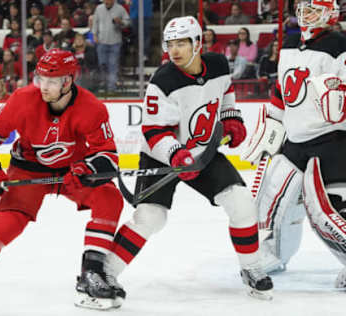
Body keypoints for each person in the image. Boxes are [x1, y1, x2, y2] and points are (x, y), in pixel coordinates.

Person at [104, 16, 273, 307]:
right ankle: (104, 273)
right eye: (170, 44)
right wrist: (176, 154)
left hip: (202, 155)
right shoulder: (162, 81)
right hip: (162, 156)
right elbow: (154, 131)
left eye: (182, 43)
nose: (175, 50)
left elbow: (226, 95)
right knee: (151, 218)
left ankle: (251, 267)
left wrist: (231, 119)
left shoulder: (219, 65)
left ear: (197, 42)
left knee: (242, 202)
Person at [0, 49, 125, 311]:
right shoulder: (24, 99)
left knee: (110, 198)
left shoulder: (92, 108)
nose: (43, 86)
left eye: (51, 81)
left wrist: (87, 171)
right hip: (28, 169)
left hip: (73, 170)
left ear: (68, 81)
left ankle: (91, 275)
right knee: (12, 218)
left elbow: (107, 155)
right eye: (41, 79)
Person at [241, 0, 346, 289]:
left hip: (331, 142)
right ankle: (275, 254)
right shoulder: (288, 42)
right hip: (295, 140)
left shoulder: (339, 44)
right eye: (304, 8)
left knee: (330, 212)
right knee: (275, 201)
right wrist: (271, 124)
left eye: (314, 9)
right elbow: (281, 89)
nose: (305, 15)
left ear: (330, 14)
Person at [92, 0, 130, 92]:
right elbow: (95, 22)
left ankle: (111, 88)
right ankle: (104, 85)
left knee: (113, 66)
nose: (106, 1)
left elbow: (128, 22)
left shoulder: (120, 9)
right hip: (101, 41)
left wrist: (120, 22)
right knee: (102, 65)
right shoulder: (99, 8)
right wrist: (94, 35)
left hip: (115, 42)